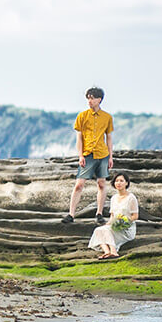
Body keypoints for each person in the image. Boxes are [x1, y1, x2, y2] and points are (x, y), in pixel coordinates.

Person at [62, 86, 114, 225]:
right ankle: (71, 214)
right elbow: (79, 138)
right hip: (87, 154)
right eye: (88, 98)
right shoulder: (82, 116)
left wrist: (110, 157)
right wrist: (80, 155)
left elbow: (109, 137)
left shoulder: (107, 117)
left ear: (99, 99)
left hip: (102, 154)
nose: (89, 101)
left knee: (102, 184)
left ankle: (99, 213)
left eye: (92, 98)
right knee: (79, 185)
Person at [88, 172, 138, 259]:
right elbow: (112, 215)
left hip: (126, 227)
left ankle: (114, 252)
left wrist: (124, 221)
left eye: (121, 181)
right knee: (99, 230)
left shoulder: (131, 198)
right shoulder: (114, 198)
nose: (118, 183)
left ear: (126, 183)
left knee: (108, 230)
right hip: (115, 224)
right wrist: (109, 223)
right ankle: (107, 252)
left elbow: (135, 216)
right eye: (117, 181)